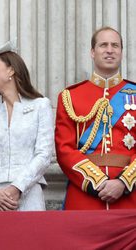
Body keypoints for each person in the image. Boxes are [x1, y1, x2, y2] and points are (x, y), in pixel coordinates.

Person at [55, 26, 136, 210]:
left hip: (130, 197)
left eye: (115, 45)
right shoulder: (70, 96)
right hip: (85, 196)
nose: (109, 50)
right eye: (103, 45)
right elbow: (64, 149)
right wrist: (97, 182)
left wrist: (123, 182)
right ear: (92, 52)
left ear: (121, 52)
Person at [0, 41, 54, 211]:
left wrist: (17, 187)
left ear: (10, 69)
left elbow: (44, 155)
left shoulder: (41, 105)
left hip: (29, 195)